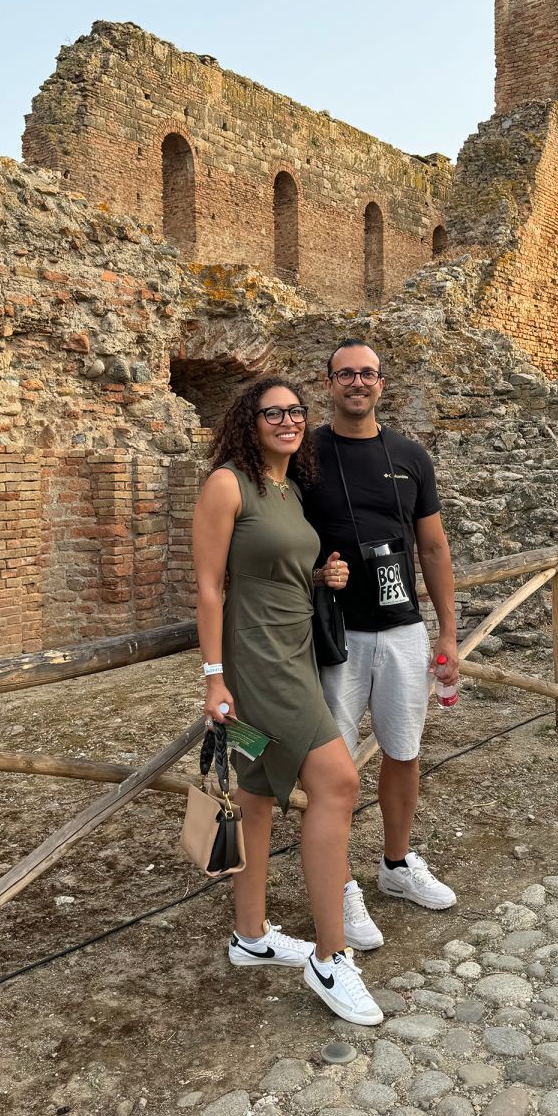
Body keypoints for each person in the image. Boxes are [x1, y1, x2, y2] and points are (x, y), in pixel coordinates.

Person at [191, 376, 383, 1026]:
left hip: (294, 651)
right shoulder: (226, 485)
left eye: (296, 411)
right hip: (259, 665)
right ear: (249, 421)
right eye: (273, 412)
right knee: (338, 782)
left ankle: (251, 936)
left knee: (255, 795)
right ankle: (331, 959)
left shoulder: (289, 490)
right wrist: (215, 677)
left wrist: (320, 573)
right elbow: (211, 586)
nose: (288, 421)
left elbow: (277, 567)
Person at [302, 339, 459, 953]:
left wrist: (447, 632)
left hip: (402, 629)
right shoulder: (307, 453)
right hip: (333, 631)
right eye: (346, 374)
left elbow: (435, 548)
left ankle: (395, 865)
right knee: (333, 769)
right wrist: (316, 574)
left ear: (382, 384)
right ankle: (338, 883)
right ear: (329, 383)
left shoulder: (411, 456)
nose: (357, 383)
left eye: (366, 374)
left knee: (404, 750)